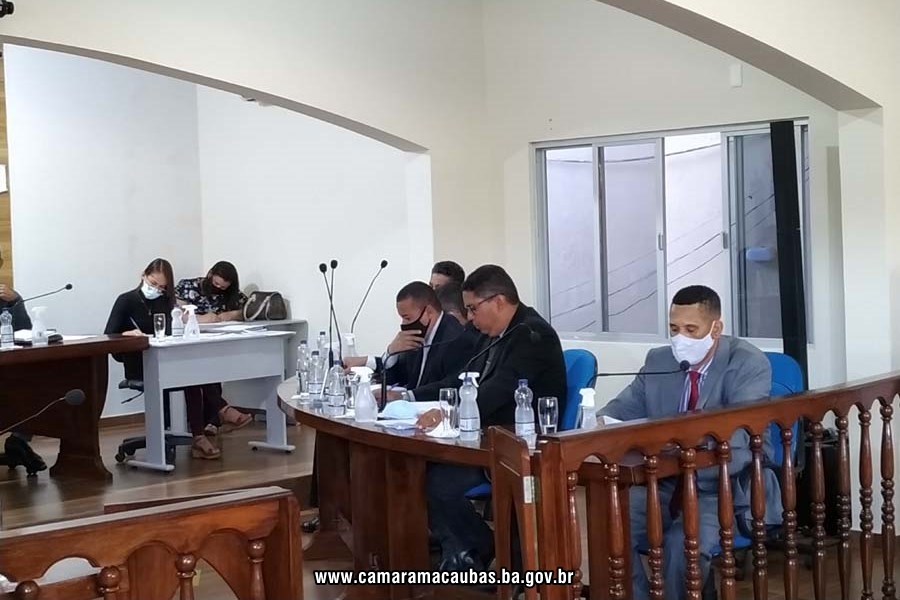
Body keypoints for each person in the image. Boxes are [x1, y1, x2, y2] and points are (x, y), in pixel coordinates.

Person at [599, 285, 773, 600]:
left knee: (681, 548)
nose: (680, 339)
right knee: (610, 527)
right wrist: (598, 421)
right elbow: (620, 410)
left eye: (691, 330)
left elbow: (742, 435)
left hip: (719, 486)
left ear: (716, 328)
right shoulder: (659, 360)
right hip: (662, 482)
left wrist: (679, 442)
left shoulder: (747, 363)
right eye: (674, 329)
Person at [411, 264, 567, 572]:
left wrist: (447, 413)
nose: (469, 317)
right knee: (417, 469)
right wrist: (411, 397)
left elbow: (498, 390)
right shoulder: (491, 333)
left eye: (473, 308)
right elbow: (460, 379)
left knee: (439, 483)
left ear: (498, 301)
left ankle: (473, 551)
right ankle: (467, 549)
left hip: (517, 448)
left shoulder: (532, 335)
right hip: (483, 439)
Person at [105, 258, 252, 460]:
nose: (156, 289)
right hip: (140, 362)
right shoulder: (126, 300)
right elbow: (108, 335)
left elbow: (170, 329)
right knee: (191, 374)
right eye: (153, 283)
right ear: (143, 275)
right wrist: (126, 334)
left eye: (162, 287)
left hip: (165, 359)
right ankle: (220, 412)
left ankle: (201, 436)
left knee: (193, 370)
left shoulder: (164, 301)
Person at [175, 261, 250, 434]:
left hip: (214, 344)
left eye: (223, 287)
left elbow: (248, 310)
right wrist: (201, 319)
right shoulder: (187, 286)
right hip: (187, 345)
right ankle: (221, 412)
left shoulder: (231, 294)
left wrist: (229, 315)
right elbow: (177, 313)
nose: (218, 289)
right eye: (216, 284)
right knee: (201, 368)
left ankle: (213, 420)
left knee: (211, 367)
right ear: (210, 275)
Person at [0, 283, 46, 475]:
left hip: (6, 366)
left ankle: (18, 441)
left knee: (34, 384)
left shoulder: (6, 296)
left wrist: (15, 302)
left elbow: (24, 331)